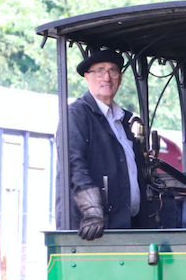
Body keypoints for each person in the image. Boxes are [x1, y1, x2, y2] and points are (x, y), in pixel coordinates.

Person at [62, 49, 145, 240]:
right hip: (92, 232)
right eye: (99, 71)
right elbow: (72, 166)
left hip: (125, 225)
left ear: (120, 78)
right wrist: (92, 212)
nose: (106, 77)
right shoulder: (76, 114)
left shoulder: (122, 120)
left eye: (112, 71)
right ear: (87, 77)